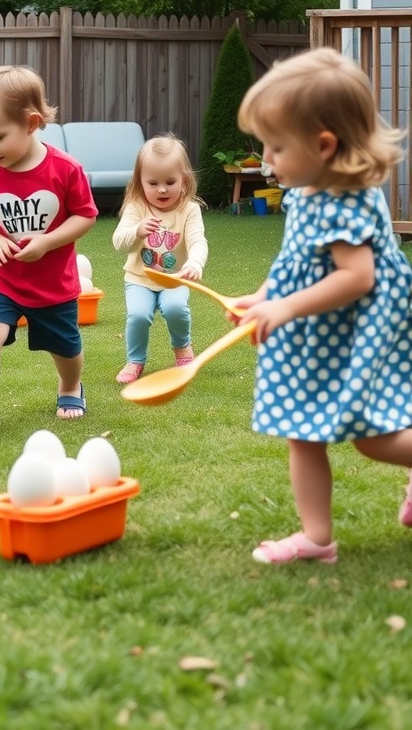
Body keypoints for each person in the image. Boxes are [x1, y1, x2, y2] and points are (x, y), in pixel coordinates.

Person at [232, 47, 412, 564]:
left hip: (355, 332)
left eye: (276, 147)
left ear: (323, 143)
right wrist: (265, 296)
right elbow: (297, 260)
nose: (267, 159)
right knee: (300, 430)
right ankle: (316, 538)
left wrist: (285, 309)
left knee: (373, 438)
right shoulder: (309, 185)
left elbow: (358, 278)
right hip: (315, 333)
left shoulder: (345, 197)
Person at [0, 65, 98, 436]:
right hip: (0, 278)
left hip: (53, 283)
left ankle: (69, 388)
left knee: (65, 347)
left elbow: (85, 216)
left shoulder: (65, 169)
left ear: (31, 124)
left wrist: (46, 242)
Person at [112, 134, 208, 384]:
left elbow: (198, 241)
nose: (162, 189)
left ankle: (182, 348)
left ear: (184, 180)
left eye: (170, 181)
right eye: (152, 183)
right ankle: (135, 360)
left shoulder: (189, 209)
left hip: (174, 279)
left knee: (176, 309)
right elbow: (119, 241)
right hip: (139, 278)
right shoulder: (136, 208)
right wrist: (137, 231)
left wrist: (194, 262)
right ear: (140, 182)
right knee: (138, 315)